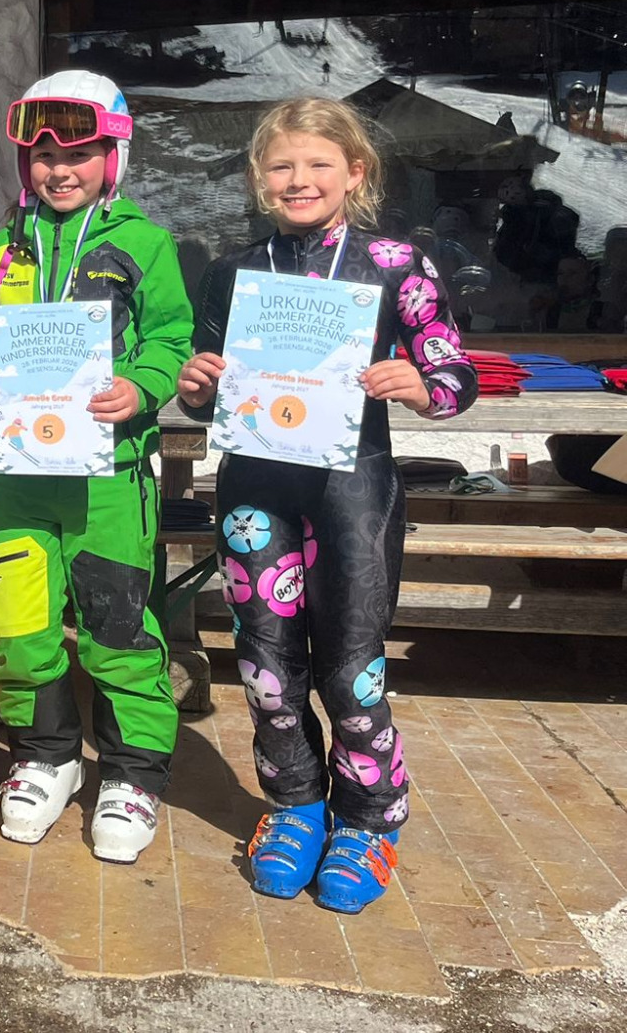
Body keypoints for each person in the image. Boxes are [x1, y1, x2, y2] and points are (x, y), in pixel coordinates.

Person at [177, 96, 477, 914]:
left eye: (317, 164)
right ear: (258, 178)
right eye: (281, 165)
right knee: (268, 669)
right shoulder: (235, 270)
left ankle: (370, 818)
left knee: (351, 669)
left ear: (356, 172)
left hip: (353, 494)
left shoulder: (396, 263)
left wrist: (420, 384)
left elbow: (454, 375)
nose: (298, 179)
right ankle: (297, 805)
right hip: (256, 494)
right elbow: (210, 386)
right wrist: (196, 386)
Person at [0, 71, 192, 864]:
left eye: (79, 153)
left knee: (116, 628)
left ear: (113, 156)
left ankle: (131, 772)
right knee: (14, 626)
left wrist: (143, 386)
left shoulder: (144, 244)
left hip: (110, 479)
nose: (60, 169)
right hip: (23, 479)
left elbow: (171, 337)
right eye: (44, 155)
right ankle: (47, 754)